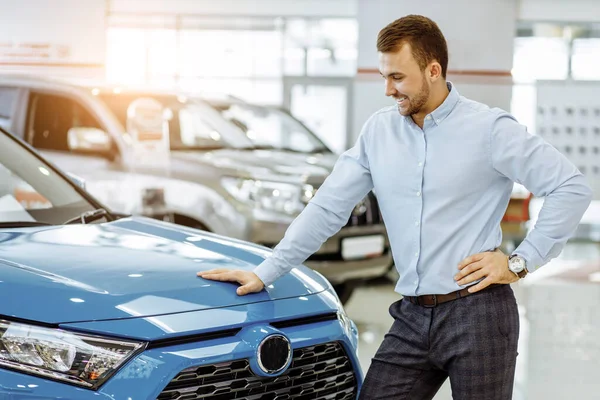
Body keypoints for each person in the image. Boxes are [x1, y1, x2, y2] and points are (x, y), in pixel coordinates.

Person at [197, 14, 592, 400]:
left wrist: (520, 262)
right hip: (412, 316)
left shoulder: (489, 129)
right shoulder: (378, 132)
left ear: (433, 70)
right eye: (384, 76)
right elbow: (327, 207)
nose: (388, 89)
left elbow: (570, 186)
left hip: (480, 313)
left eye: (398, 77)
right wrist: (267, 271)